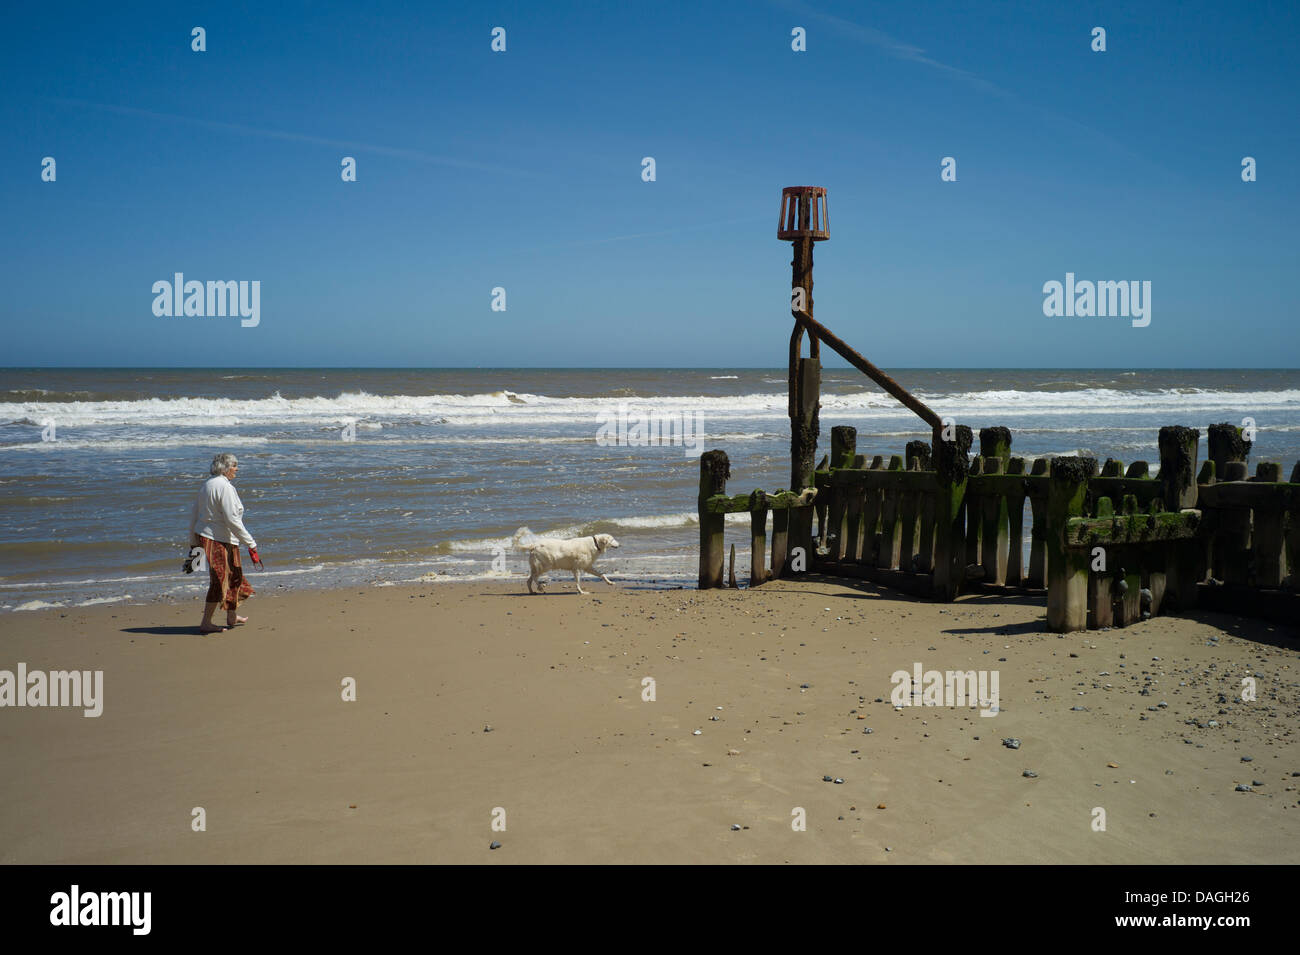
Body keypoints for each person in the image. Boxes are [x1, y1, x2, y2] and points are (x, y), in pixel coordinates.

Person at [188, 453, 261, 633]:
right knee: (220, 580)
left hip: (215, 537)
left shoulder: (207, 485)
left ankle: (231, 616)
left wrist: (192, 541)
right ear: (225, 468)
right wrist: (250, 543)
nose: (237, 469)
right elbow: (232, 519)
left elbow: (194, 514)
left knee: (234, 575)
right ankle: (206, 622)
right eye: (234, 466)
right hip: (217, 539)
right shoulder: (224, 487)